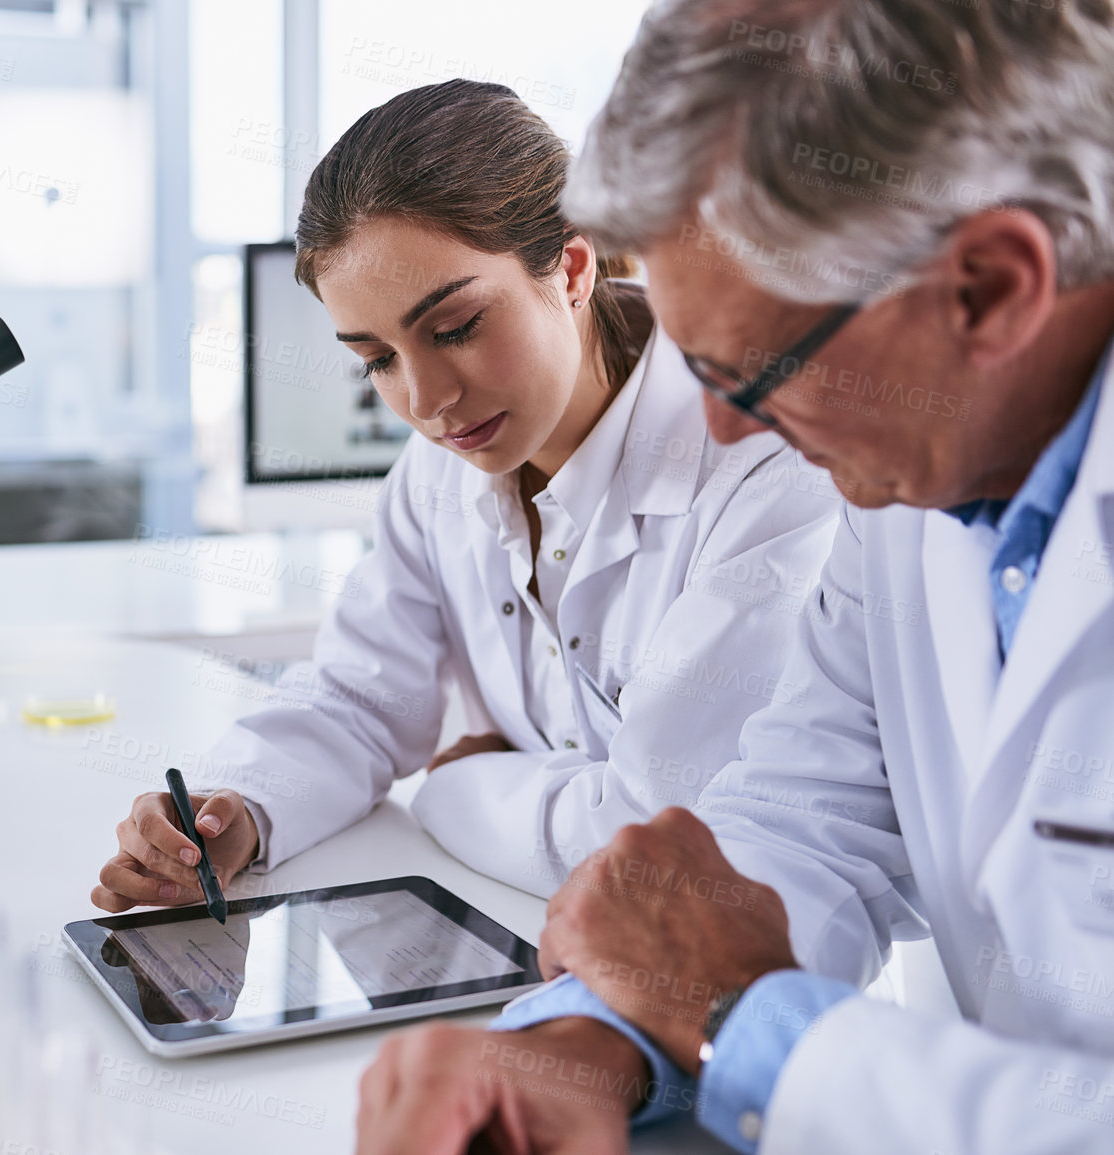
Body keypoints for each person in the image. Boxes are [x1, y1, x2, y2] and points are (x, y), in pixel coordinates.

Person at [351, 4, 1114, 1154]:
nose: (715, 422)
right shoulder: (914, 489)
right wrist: (591, 1041)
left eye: (759, 369)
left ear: (992, 286)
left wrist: (757, 1028)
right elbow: (811, 817)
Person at [90, 80, 840, 921]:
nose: (427, 399)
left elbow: (655, 832)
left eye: (455, 328)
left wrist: (454, 783)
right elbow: (361, 699)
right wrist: (238, 812)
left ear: (571, 266)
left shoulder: (761, 464)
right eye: (375, 358)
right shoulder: (439, 472)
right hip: (519, 928)